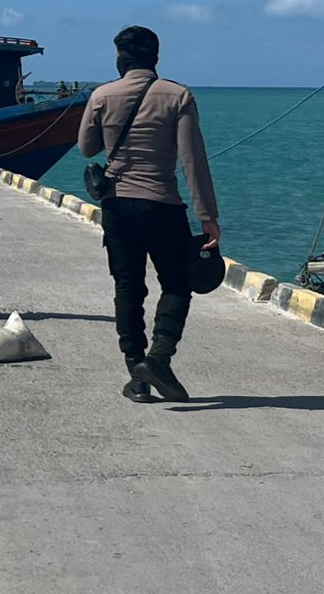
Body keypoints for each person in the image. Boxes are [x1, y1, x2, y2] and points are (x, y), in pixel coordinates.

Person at [78, 25, 221, 404]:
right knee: (176, 284)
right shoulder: (178, 96)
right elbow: (193, 159)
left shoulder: (102, 95)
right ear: (155, 57)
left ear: (120, 58)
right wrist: (208, 214)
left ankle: (136, 373)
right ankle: (158, 358)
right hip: (161, 204)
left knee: (128, 287)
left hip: (116, 205)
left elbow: (85, 147)